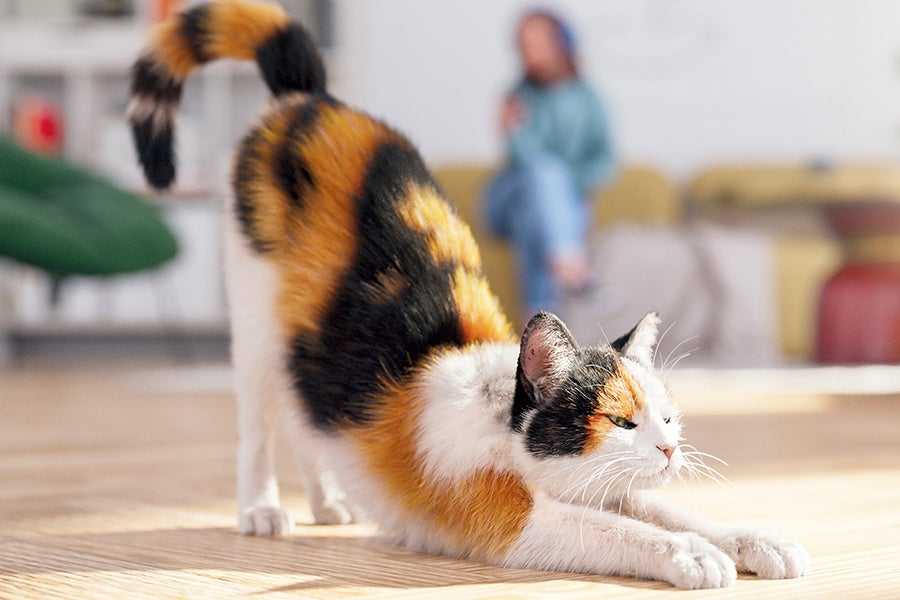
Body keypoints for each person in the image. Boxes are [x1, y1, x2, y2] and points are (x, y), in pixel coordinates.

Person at [484, 9, 615, 318]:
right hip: (505, 196)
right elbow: (524, 159)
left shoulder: (589, 99)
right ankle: (572, 263)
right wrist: (512, 130)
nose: (529, 51)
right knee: (545, 174)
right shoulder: (517, 96)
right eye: (523, 44)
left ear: (561, 43)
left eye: (538, 41)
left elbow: (604, 160)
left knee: (535, 216)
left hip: (540, 208)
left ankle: (537, 320)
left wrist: (565, 189)